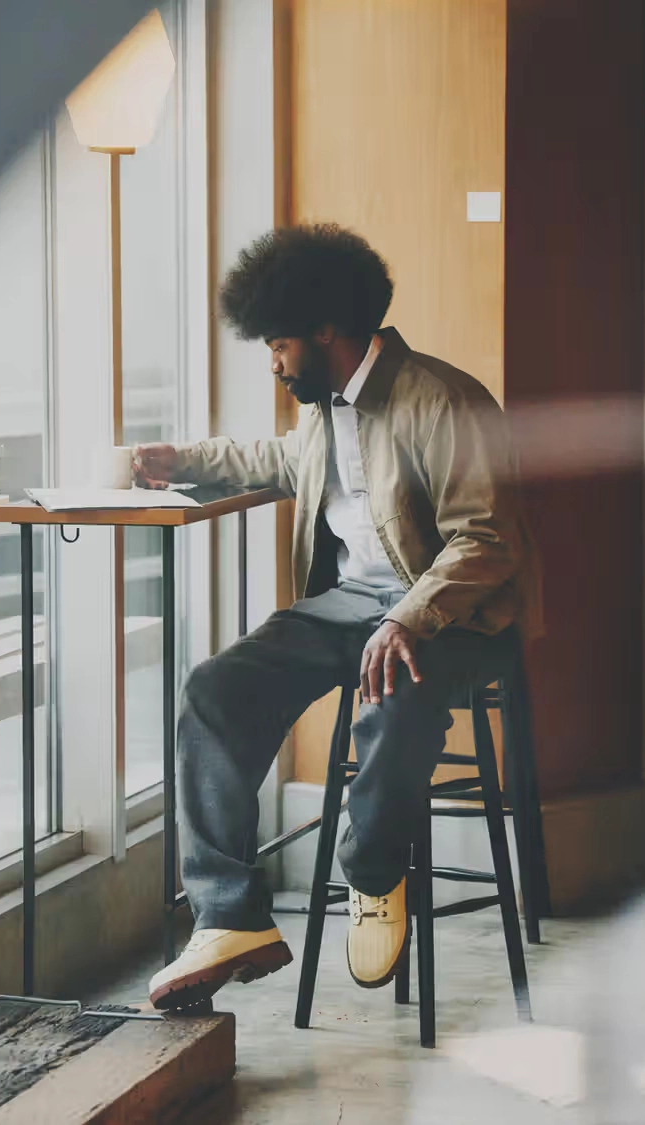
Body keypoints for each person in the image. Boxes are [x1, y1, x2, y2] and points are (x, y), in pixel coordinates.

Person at [139, 223, 541, 1011]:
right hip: (352, 606)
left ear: (326, 329)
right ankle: (228, 915)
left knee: (394, 685)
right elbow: (277, 461)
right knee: (216, 689)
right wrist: (180, 460)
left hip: (455, 616)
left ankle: (374, 869)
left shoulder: (443, 399)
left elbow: (487, 537)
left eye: (279, 344)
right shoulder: (323, 410)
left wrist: (409, 618)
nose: (274, 362)